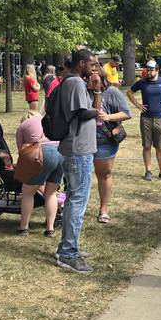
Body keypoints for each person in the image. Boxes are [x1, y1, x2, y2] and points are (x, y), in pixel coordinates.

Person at [56, 48, 102, 274]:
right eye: (92, 63)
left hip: (79, 149)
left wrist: (96, 91)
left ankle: (66, 247)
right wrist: (97, 109)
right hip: (77, 150)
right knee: (77, 201)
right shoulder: (73, 82)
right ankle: (68, 253)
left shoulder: (76, 82)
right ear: (82, 63)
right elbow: (82, 113)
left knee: (75, 199)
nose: (94, 67)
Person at [127, 59, 161, 182]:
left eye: (151, 70)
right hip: (145, 118)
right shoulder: (142, 82)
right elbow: (129, 92)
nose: (149, 72)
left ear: (157, 70)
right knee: (146, 146)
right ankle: (148, 171)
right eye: (147, 70)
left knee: (159, 147)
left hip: (160, 118)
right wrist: (138, 105)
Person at [92, 63, 131, 224]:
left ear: (102, 76)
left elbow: (126, 113)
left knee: (104, 174)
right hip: (83, 140)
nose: (92, 78)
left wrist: (107, 117)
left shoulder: (112, 92)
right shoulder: (83, 91)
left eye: (95, 75)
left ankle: (104, 209)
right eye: (89, 75)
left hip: (104, 141)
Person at [15, 111, 63, 236]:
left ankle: (23, 227)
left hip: (43, 154)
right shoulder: (47, 120)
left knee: (27, 193)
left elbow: (22, 153)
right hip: (61, 152)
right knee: (51, 193)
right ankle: (50, 229)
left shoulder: (22, 126)